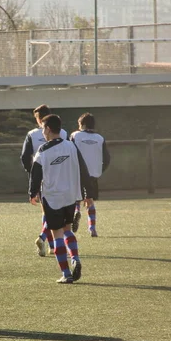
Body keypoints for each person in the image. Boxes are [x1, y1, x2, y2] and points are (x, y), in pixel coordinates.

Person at [28, 114, 95, 283]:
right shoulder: (72, 146)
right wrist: (89, 192)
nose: (43, 132)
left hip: (52, 197)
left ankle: (66, 274)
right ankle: (75, 259)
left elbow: (36, 174)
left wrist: (32, 192)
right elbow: (83, 169)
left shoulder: (43, 150)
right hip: (71, 196)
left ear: (48, 129)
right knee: (68, 230)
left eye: (43, 128)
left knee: (57, 234)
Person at [20, 104, 68, 257]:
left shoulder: (32, 134)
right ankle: (49, 242)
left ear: (39, 119)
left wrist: (33, 173)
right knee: (60, 212)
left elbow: (24, 157)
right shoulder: (64, 133)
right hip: (61, 177)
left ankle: (50, 243)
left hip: (41, 178)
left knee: (46, 210)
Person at [70, 113, 111, 237]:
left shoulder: (75, 135)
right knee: (90, 200)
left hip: (77, 172)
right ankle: (92, 228)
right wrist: (99, 170)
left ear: (81, 124)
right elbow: (107, 158)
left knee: (76, 199)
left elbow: (69, 151)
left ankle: (77, 211)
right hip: (93, 174)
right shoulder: (100, 138)